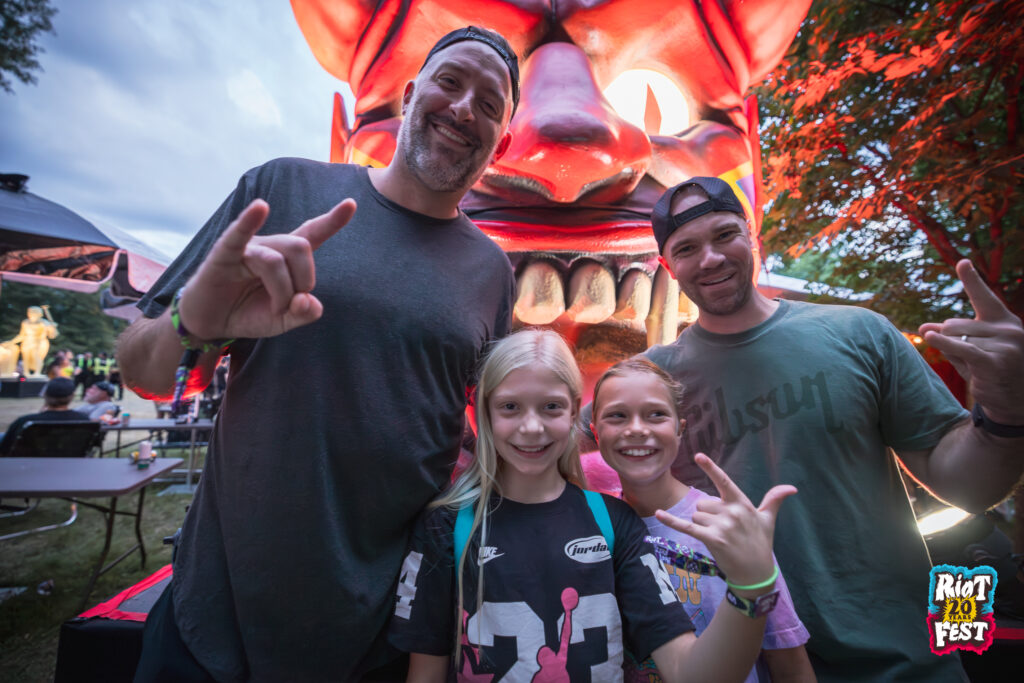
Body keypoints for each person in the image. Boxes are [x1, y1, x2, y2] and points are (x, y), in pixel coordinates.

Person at [120, 26, 520, 681]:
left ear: (500, 142)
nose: (463, 108)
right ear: (409, 94)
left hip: (382, 631)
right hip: (218, 613)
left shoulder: (492, 272)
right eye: (449, 81)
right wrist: (193, 321)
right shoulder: (283, 189)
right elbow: (144, 373)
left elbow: (491, 431)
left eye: (489, 103)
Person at [582, 176, 1024, 681]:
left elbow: (970, 489)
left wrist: (1007, 409)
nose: (710, 258)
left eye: (725, 235)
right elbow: (547, 441)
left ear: (752, 236)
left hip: (899, 660)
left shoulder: (858, 334)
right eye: (687, 248)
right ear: (667, 265)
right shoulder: (650, 385)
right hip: (746, 663)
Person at [389, 329, 796, 682]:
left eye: (551, 407)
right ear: (486, 414)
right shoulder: (447, 526)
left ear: (573, 413)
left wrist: (749, 587)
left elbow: (689, 672)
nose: (531, 427)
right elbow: (424, 674)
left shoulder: (615, 523)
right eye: (510, 407)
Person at [591, 357, 815, 683]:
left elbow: (790, 665)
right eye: (617, 415)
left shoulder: (727, 525)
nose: (637, 428)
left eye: (656, 414)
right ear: (596, 433)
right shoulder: (592, 529)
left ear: (680, 430)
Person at [0, 378, 86, 455]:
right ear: (72, 396)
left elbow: (5, 448)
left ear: (45, 394)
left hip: (29, 463)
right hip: (70, 463)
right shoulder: (83, 420)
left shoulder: (25, 421)